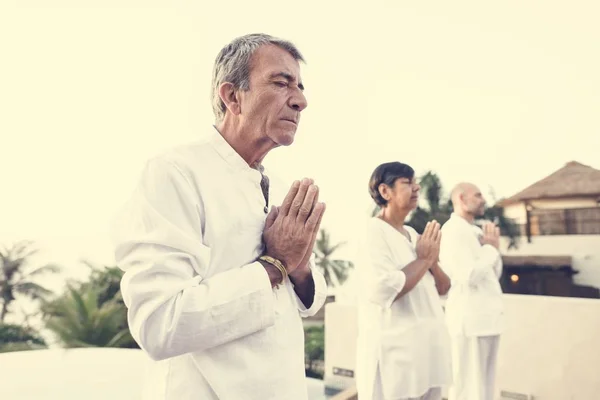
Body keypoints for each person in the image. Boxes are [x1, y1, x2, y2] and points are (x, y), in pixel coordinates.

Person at [110, 33, 328, 400]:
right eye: (281, 82)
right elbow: (159, 324)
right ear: (231, 96)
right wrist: (275, 264)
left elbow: (308, 301)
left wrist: (299, 265)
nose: (301, 100)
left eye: (301, 87)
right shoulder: (176, 172)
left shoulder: (278, 186)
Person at [355, 161, 453, 400]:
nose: (416, 188)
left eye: (415, 182)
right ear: (385, 191)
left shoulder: (413, 234)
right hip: (396, 359)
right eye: (407, 183)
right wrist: (423, 260)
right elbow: (383, 288)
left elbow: (444, 287)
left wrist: (431, 261)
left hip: (429, 353)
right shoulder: (373, 231)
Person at [439, 182, 503, 400]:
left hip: (488, 321)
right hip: (469, 322)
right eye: (477, 195)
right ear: (461, 199)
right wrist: (490, 249)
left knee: (486, 388)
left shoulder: (476, 231)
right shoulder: (452, 230)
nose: (483, 200)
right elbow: (469, 275)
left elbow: (493, 274)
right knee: (468, 388)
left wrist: (491, 249)